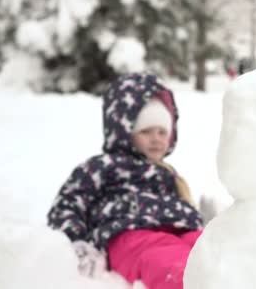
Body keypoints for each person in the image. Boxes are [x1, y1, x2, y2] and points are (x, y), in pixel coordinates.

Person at [47, 73, 204, 289]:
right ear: (123, 131)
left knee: (211, 250)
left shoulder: (168, 174)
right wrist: (76, 244)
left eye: (162, 131)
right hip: (129, 232)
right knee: (166, 260)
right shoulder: (102, 167)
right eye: (146, 131)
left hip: (181, 228)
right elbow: (68, 204)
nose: (156, 138)